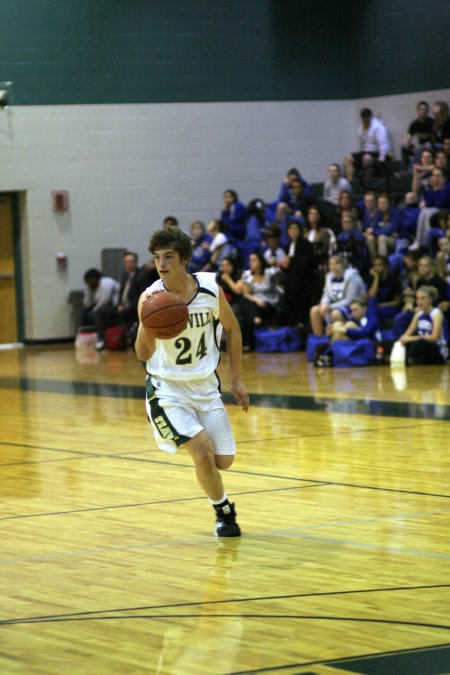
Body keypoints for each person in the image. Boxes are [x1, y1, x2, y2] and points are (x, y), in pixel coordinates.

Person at [135, 226, 249, 538]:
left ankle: (219, 497)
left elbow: (234, 330)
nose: (162, 263)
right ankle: (224, 513)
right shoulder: (149, 298)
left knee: (222, 460)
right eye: (157, 258)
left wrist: (236, 380)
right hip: (166, 390)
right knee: (201, 452)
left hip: (205, 388)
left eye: (169, 256)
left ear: (184, 259)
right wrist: (147, 321)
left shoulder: (211, 289)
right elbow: (143, 354)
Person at [309, 255, 366, 336]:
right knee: (314, 310)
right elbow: (326, 294)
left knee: (335, 313)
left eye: (336, 264)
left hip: (353, 305)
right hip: (336, 305)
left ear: (343, 264)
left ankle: (340, 337)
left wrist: (330, 307)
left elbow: (349, 300)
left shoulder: (352, 276)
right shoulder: (329, 276)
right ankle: (320, 340)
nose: (333, 267)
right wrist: (324, 304)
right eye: (331, 264)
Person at [237, 252, 281, 351]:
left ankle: (247, 343)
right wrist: (257, 300)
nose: (250, 263)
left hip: (269, 304)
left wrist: (275, 262)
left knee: (247, 311)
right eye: (250, 260)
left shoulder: (269, 273)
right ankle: (255, 318)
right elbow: (246, 294)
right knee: (244, 302)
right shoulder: (247, 275)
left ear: (260, 262)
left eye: (253, 260)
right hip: (256, 305)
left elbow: (281, 273)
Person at [399, 286, 448, 364]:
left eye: (423, 298)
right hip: (421, 347)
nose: (419, 302)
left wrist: (412, 339)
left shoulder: (436, 313)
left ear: (430, 300)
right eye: (418, 298)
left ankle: (411, 359)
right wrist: (403, 339)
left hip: (437, 349)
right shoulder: (419, 314)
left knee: (420, 343)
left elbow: (434, 337)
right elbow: (406, 335)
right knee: (398, 342)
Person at [344, 108, 391, 180]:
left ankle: (368, 182)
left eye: (367, 117)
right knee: (348, 158)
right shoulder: (361, 128)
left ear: (370, 116)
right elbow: (362, 144)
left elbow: (383, 143)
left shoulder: (378, 127)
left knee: (366, 158)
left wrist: (382, 158)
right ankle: (351, 183)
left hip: (377, 152)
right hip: (366, 152)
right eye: (363, 117)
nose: (365, 119)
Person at [80, 268, 120, 350]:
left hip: (116, 305)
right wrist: (88, 291)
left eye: (89, 281)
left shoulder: (106, 282)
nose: (88, 283)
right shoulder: (92, 287)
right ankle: (87, 336)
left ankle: (102, 339)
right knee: (85, 312)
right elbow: (87, 304)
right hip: (105, 306)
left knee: (95, 313)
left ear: (94, 278)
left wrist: (94, 310)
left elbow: (105, 300)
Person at [401, 101, 434, 170]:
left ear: (427, 111)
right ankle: (404, 170)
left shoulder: (432, 122)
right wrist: (406, 142)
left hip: (431, 146)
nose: (423, 111)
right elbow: (408, 136)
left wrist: (421, 146)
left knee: (419, 148)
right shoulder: (414, 124)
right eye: (421, 109)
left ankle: (412, 169)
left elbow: (435, 139)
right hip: (420, 146)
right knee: (403, 148)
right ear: (417, 110)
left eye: (425, 110)